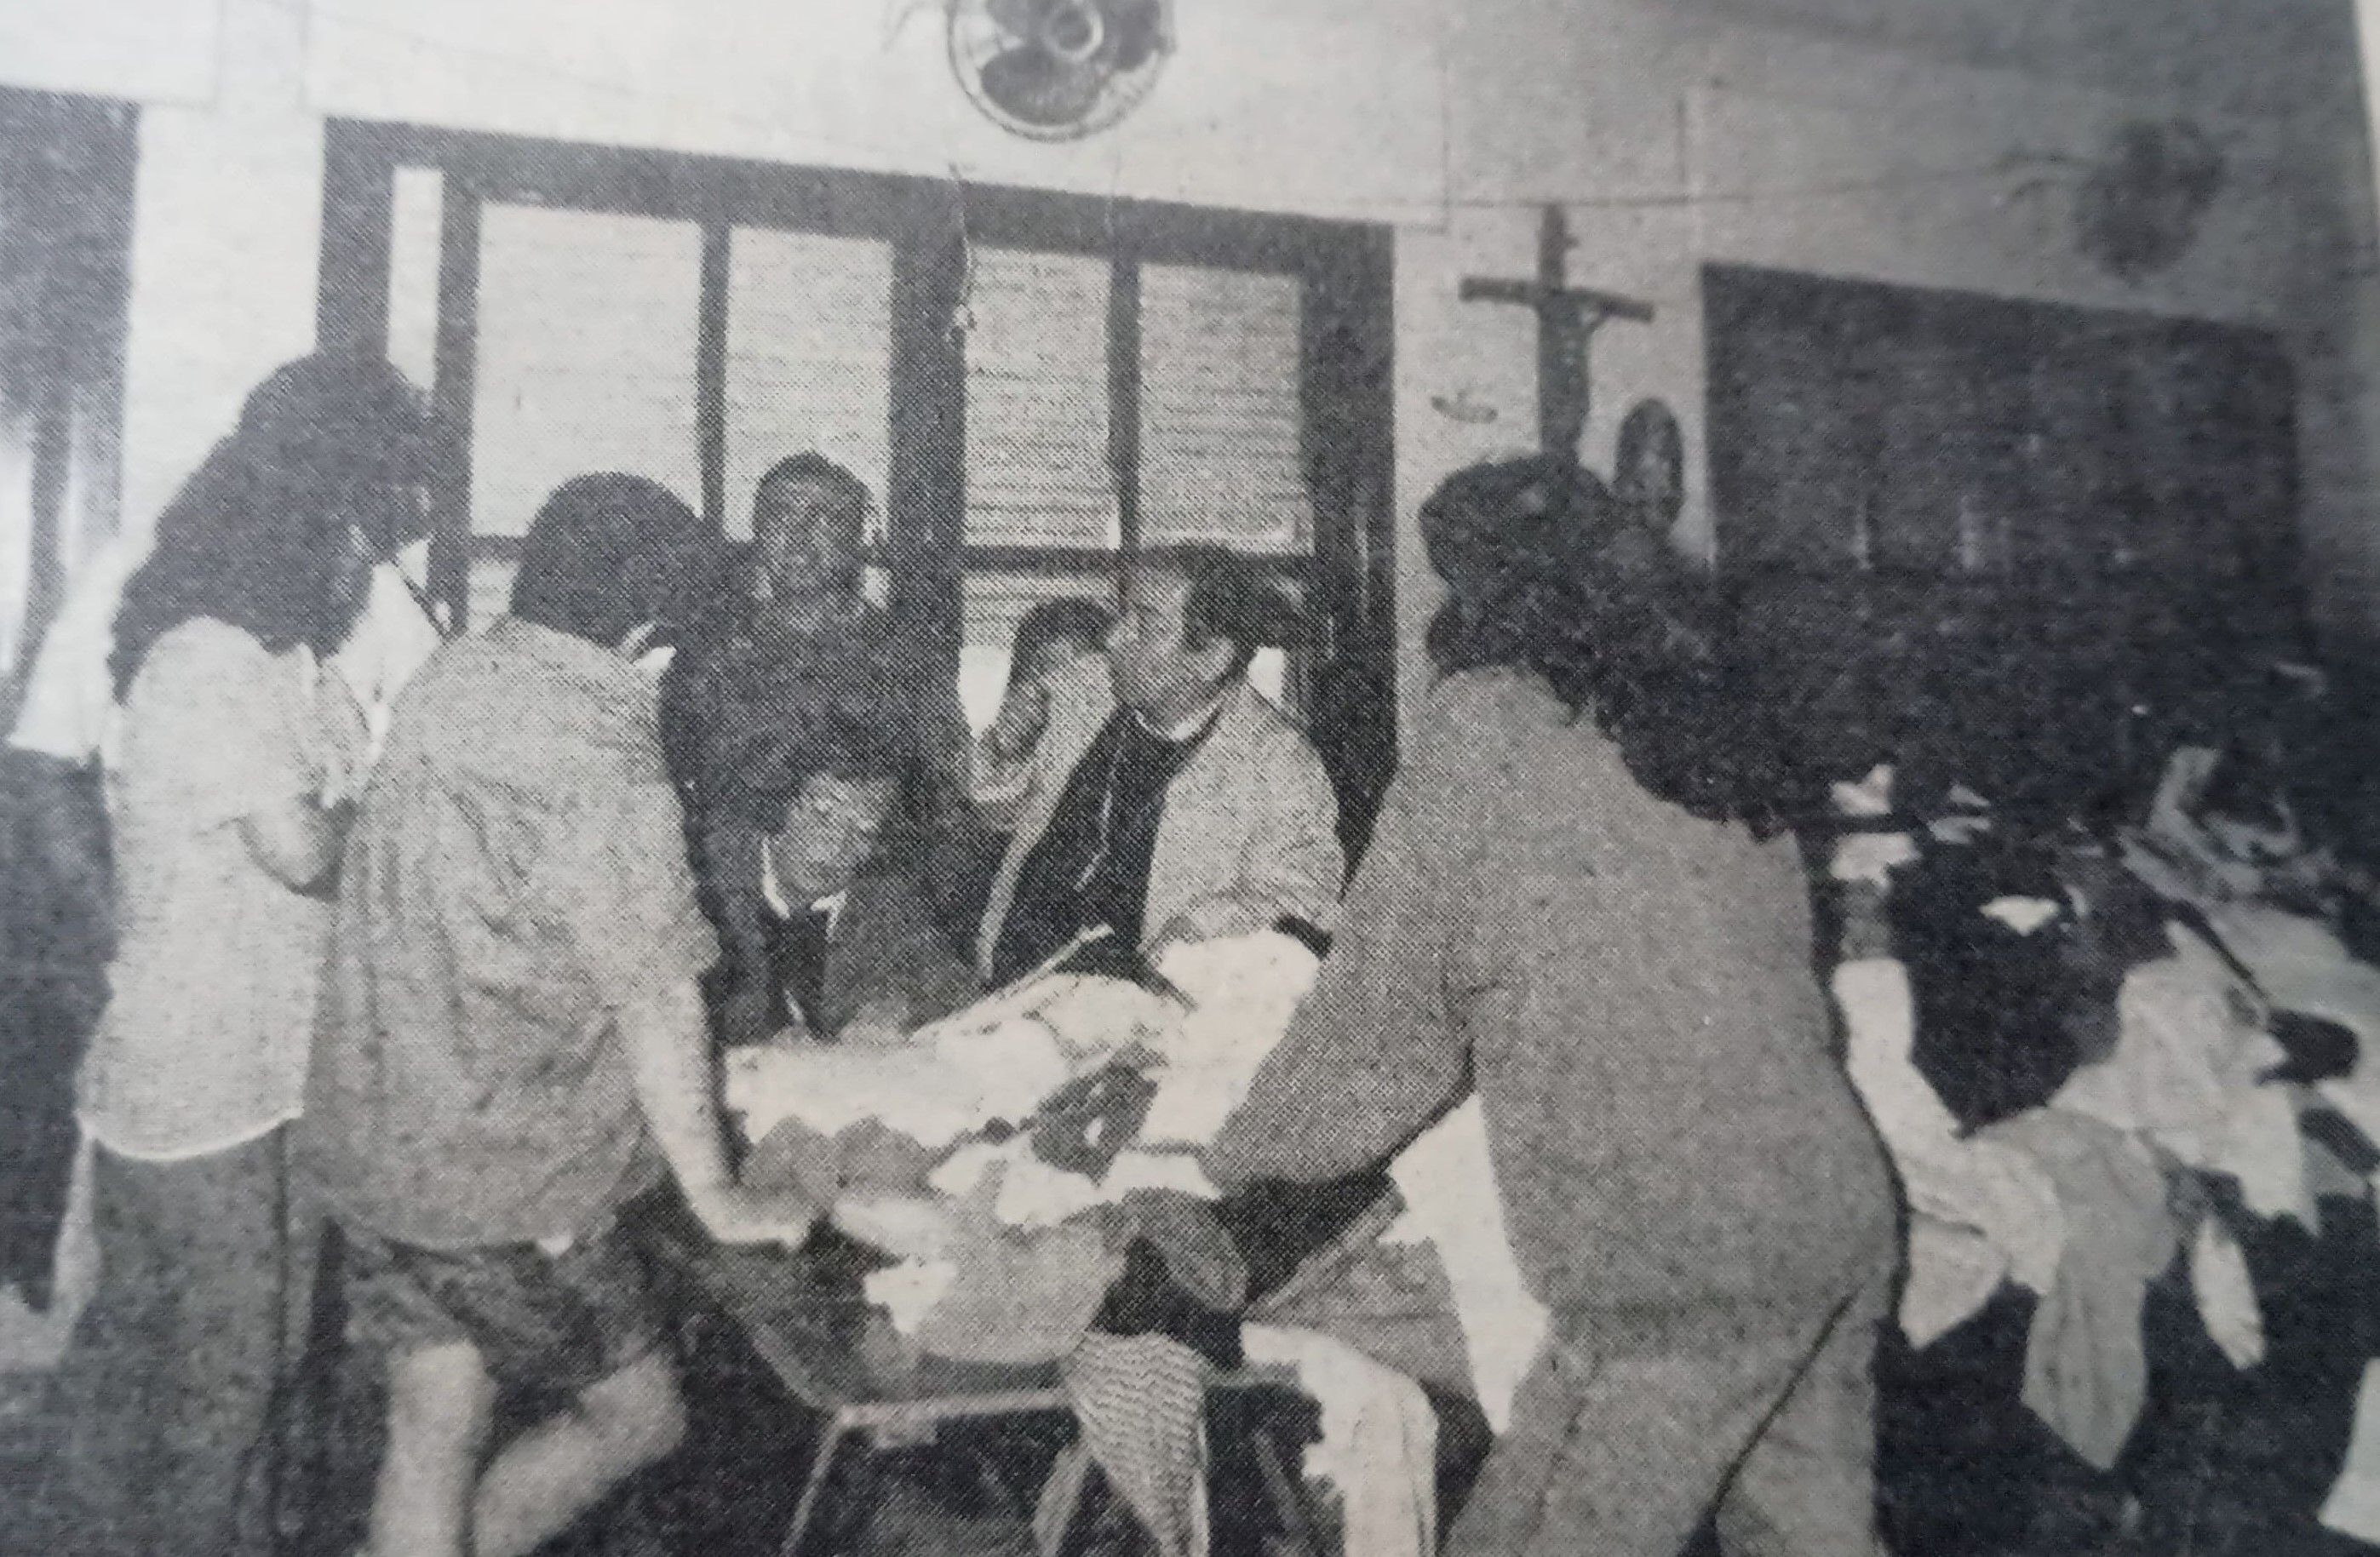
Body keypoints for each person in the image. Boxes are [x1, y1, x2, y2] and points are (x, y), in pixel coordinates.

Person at [1205, 455, 1899, 1557]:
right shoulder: (1701, 725)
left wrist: (1229, 1161)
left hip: (1677, 1253)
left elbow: (1380, 1034)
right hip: (1828, 1204)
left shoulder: (1482, 730)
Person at [301, 473, 816, 1557]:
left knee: (434, 1424)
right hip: (500, 1177)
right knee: (639, 1417)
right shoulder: (597, 749)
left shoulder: (458, 672)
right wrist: (716, 1192)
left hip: (382, 1141)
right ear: (649, 634)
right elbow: (657, 991)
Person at [29, 352, 430, 1557]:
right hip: (194, 1070)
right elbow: (304, 850)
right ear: (306, 512)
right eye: (361, 527)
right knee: (219, 1374)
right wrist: (382, 815)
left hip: (276, 1059)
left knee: (248, 1359)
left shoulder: (292, 662)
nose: (373, 558)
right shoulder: (203, 658)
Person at [978, 543, 1343, 986]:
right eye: (1122, 615)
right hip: (1010, 982)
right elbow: (997, 815)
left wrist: (1204, 928)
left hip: (1137, 1007)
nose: (1113, 638)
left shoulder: (1280, 764)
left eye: (1145, 625)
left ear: (1212, 658)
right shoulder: (1079, 690)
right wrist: (1004, 753)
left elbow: (1303, 899)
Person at [697, 689, 978, 1050]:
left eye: (863, 830)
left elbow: (960, 1001)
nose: (833, 845)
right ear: (780, 800)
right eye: (823, 811)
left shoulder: (888, 905)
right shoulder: (703, 878)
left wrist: (900, 1014)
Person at [969, 596, 1116, 835]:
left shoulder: (1120, 745)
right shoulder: (1011, 747)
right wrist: (1001, 748)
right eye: (1048, 672)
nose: (1064, 689)